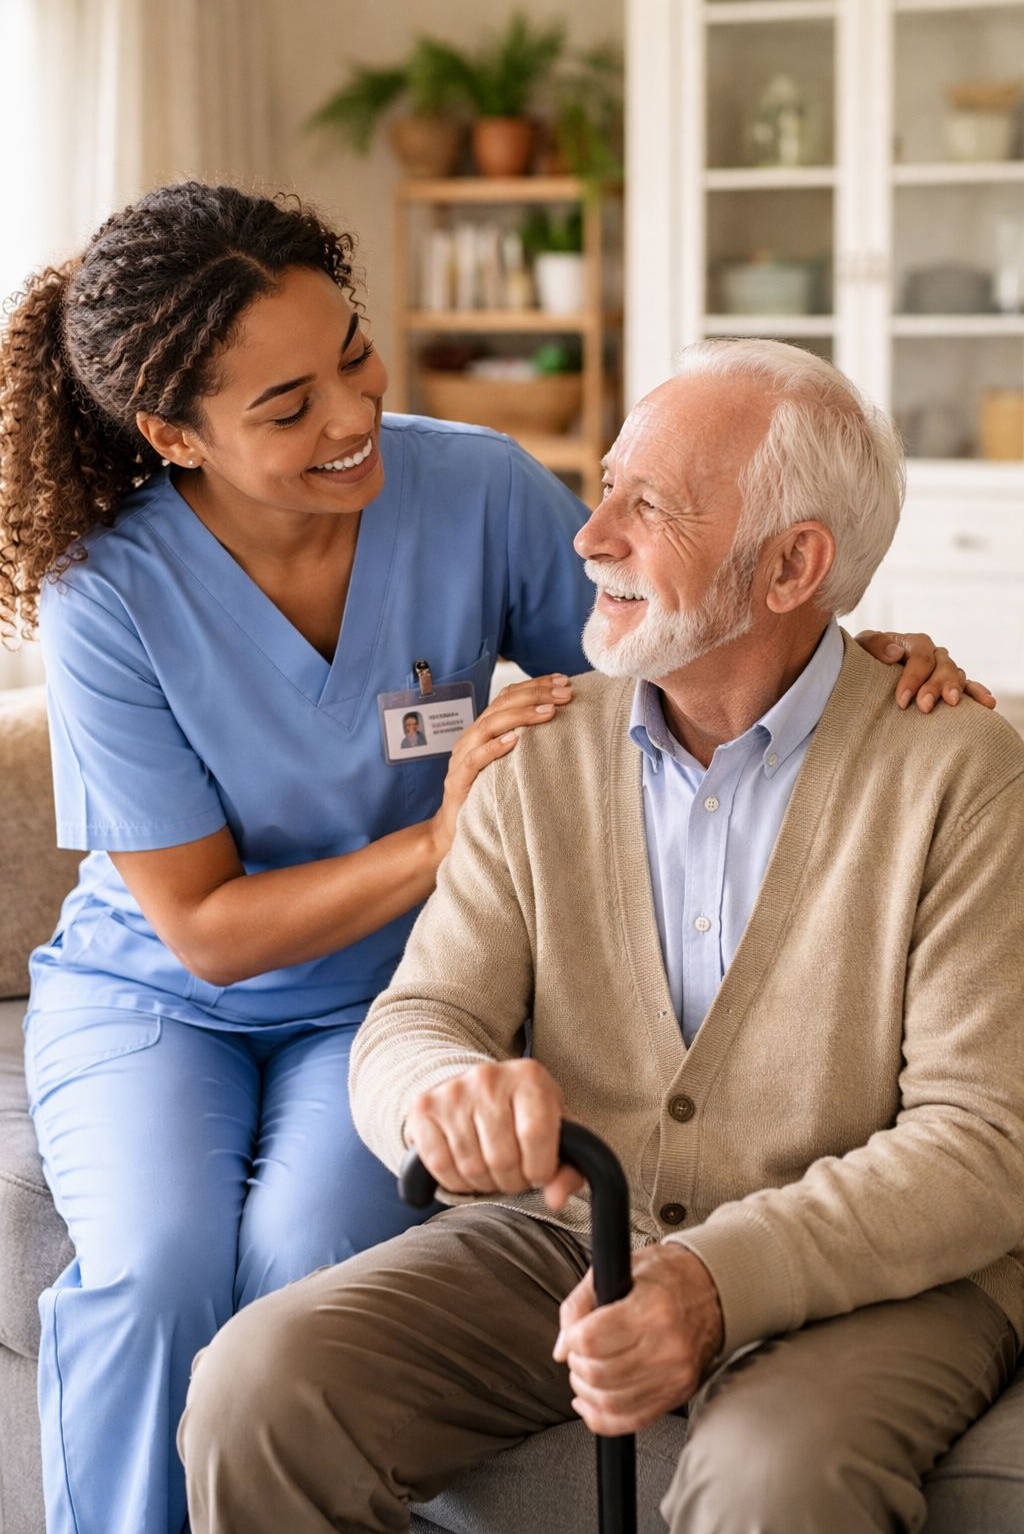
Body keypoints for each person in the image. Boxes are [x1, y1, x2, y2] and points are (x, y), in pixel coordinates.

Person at [0, 181, 979, 1534]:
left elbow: (687, 633)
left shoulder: (467, 489)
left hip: (373, 991)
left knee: (307, 1262)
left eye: (351, 353)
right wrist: (443, 842)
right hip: (170, 997)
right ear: (177, 435)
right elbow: (210, 929)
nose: (350, 416)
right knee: (158, 1272)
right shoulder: (109, 590)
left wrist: (867, 656)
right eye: (286, 409)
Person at [178, 340, 1024, 1534]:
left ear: (794, 564)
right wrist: (443, 1096)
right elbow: (421, 1018)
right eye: (605, 484)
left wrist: (716, 1284)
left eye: (650, 504)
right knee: (258, 1390)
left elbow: (982, 1142)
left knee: (772, 1484)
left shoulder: (964, 775)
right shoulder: (542, 751)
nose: (589, 535)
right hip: (575, 1237)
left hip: (882, 1274)